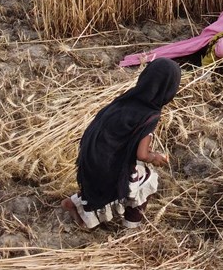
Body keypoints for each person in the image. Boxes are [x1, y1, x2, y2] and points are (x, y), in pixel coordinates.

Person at [62, 58, 181, 230]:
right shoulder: (150, 115)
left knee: (106, 186)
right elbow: (142, 155)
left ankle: (74, 203)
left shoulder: (127, 99)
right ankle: (131, 228)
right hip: (105, 167)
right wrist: (155, 157)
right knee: (145, 181)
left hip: (90, 159)